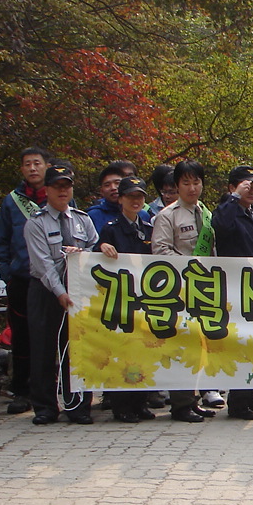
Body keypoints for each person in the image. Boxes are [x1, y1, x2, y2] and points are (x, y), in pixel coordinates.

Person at [23, 164, 99, 425]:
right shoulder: (36, 223)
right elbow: (43, 265)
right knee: (44, 349)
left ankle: (78, 405)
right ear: (47, 190)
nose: (62, 191)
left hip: (78, 290)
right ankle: (45, 407)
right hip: (46, 291)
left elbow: (94, 247)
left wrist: (82, 255)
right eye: (57, 186)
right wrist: (60, 292)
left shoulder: (82, 219)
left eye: (67, 186)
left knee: (77, 348)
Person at [150, 160, 218, 423]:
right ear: (176, 186)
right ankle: (180, 405)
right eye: (186, 183)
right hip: (179, 290)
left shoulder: (205, 213)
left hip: (203, 289)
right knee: (181, 347)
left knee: (199, 346)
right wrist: (189, 267)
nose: (192, 188)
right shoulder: (167, 216)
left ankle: (193, 399)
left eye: (196, 182)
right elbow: (161, 251)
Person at [213, 164, 253, 419]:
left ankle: (252, 397)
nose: (252, 190)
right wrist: (234, 197)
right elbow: (221, 226)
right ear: (233, 187)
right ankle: (238, 402)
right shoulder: (227, 210)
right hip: (235, 287)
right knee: (241, 346)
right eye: (247, 185)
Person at [0, 148, 51, 414]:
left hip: (51, 281)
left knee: (50, 337)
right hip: (21, 279)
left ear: (47, 166)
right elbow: (1, 240)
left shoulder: (58, 195)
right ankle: (21, 390)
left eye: (37, 163)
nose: (33, 168)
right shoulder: (12, 201)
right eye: (27, 164)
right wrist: (7, 272)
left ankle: (49, 391)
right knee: (22, 338)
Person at [95, 176, 158, 423]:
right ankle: (121, 405)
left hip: (144, 299)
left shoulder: (148, 228)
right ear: (120, 199)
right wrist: (102, 247)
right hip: (120, 300)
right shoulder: (110, 228)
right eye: (130, 196)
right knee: (122, 351)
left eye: (139, 196)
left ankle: (139, 402)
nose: (135, 201)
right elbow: (94, 260)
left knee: (142, 350)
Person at [86, 160, 141, 232]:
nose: (113, 188)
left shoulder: (141, 214)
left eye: (117, 183)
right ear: (101, 191)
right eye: (107, 185)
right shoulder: (93, 215)